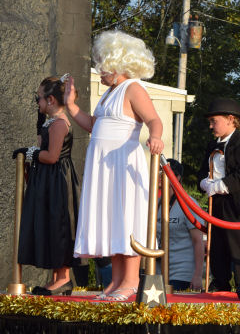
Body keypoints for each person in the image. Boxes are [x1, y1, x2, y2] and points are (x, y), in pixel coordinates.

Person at [64, 30, 164, 301]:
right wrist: (71, 106)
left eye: (102, 65)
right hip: (104, 167)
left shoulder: (133, 88)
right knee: (112, 220)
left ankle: (131, 281)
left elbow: (153, 119)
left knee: (126, 217)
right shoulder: (109, 94)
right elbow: (94, 125)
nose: (99, 70)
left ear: (118, 63)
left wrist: (155, 137)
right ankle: (117, 281)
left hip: (123, 164)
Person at [13, 75, 80, 296]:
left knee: (59, 223)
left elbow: (52, 156)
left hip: (57, 180)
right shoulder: (50, 122)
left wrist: (30, 152)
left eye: (38, 99)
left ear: (50, 100)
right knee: (50, 224)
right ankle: (57, 277)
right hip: (48, 179)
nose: (37, 103)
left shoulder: (60, 123)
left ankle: (63, 278)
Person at [198, 98, 240, 292]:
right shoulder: (211, 145)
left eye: (214, 121)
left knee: (238, 246)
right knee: (217, 246)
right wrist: (204, 183)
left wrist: (219, 185)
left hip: (235, 205)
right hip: (215, 204)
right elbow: (202, 171)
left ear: (230, 119)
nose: (211, 126)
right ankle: (220, 282)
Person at [156, 158, 205, 291]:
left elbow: (198, 242)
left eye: (163, 173)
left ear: (177, 177)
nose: (160, 177)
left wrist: (197, 275)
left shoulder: (189, 203)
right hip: (159, 272)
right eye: (158, 173)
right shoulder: (157, 203)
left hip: (182, 273)